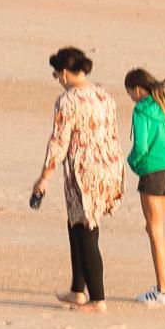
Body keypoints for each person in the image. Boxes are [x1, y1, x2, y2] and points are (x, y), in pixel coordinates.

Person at [29, 46, 123, 311]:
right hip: (109, 166)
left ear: (67, 72)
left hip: (84, 171)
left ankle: (98, 299)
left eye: (57, 73)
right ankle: (77, 290)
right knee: (76, 226)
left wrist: (43, 179)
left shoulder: (68, 100)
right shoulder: (104, 95)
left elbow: (59, 143)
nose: (57, 78)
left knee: (87, 233)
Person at [124, 69, 165, 305]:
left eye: (130, 93)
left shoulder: (141, 110)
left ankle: (161, 290)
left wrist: (132, 163)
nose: (130, 97)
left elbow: (140, 146)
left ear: (138, 89)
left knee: (154, 231)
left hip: (152, 174)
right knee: (157, 229)